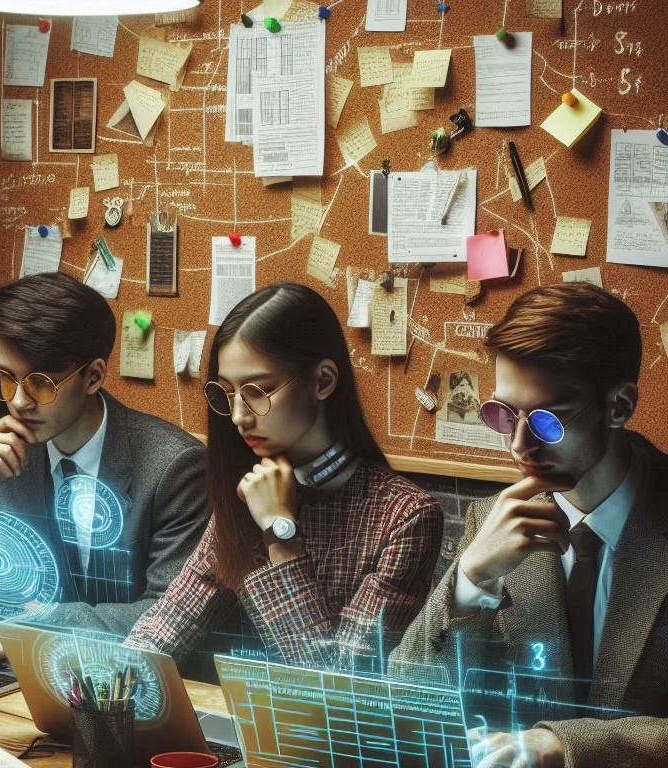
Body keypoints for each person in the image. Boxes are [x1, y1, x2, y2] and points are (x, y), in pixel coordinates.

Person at [390, 283, 667, 768]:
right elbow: (408, 699)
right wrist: (469, 580)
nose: (519, 446)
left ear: (619, 406)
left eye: (546, 421)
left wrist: (560, 745)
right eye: (503, 414)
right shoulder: (490, 520)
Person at [124, 282, 443, 669]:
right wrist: (110, 683)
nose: (240, 415)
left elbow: (339, 684)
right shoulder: (251, 485)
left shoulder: (406, 516)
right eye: (228, 393)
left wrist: (279, 531)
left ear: (323, 381)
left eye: (259, 390)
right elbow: (171, 620)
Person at [0, 272, 211, 668]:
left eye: (40, 383)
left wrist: (41, 624)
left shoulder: (175, 467)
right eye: (6, 378)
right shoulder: (8, 452)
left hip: (129, 688)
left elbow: (167, 614)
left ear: (94, 376)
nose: (19, 402)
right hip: (21, 679)